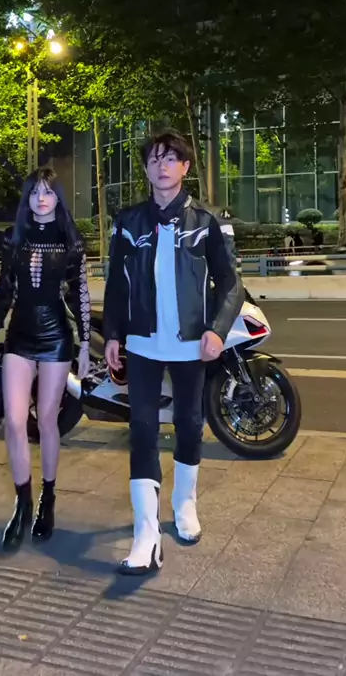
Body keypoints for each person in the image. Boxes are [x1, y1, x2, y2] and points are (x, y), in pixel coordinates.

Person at [103, 130, 244, 576]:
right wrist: (112, 334)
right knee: (142, 430)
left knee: (189, 423)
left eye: (170, 159)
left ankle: (184, 504)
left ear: (185, 167)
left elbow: (231, 284)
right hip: (143, 343)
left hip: (190, 344)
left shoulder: (208, 220)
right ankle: (146, 535)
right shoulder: (128, 222)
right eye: (154, 159)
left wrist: (217, 331)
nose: (161, 166)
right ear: (146, 169)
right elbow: (116, 283)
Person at [0, 168, 91, 551]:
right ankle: (23, 502)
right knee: (14, 421)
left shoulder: (70, 241)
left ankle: (48, 497)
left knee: (46, 420)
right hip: (19, 335)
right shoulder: (14, 238)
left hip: (56, 336)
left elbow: (79, 294)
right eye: (34, 193)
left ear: (58, 197)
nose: (41, 199)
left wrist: (86, 344)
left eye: (48, 192)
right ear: (27, 198)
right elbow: (5, 288)